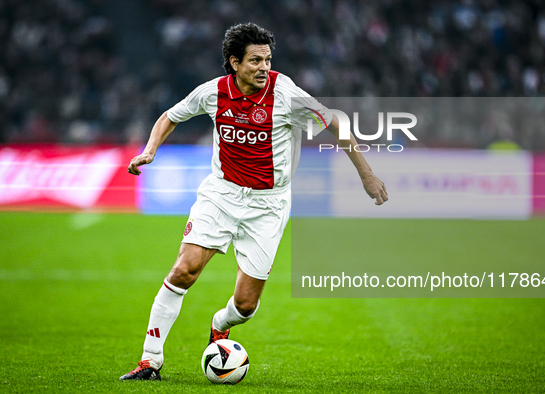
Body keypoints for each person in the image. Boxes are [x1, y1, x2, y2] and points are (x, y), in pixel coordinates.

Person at [119, 22, 388, 381]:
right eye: (256, 60)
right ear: (234, 62)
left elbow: (335, 121)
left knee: (245, 305)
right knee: (184, 269)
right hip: (222, 194)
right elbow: (171, 116)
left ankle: (220, 323)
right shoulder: (213, 92)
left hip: (269, 205)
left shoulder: (286, 94)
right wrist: (149, 150)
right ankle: (150, 360)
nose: (264, 67)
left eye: (268, 59)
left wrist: (366, 175)